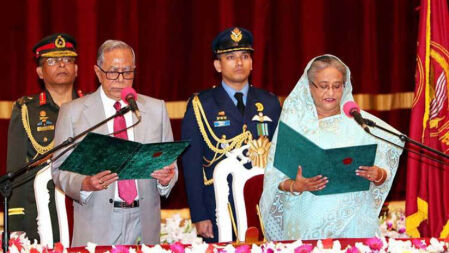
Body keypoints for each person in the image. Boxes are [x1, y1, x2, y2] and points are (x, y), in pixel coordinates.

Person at [259, 54, 403, 240]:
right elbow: (274, 176)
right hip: (306, 221)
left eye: (337, 86)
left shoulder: (359, 123)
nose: (331, 93)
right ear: (309, 87)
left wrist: (377, 175)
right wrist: (295, 185)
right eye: (324, 86)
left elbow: (383, 172)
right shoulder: (295, 125)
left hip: (355, 224)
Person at [51, 40, 177, 247]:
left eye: (127, 72)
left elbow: (171, 165)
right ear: (98, 72)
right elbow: (59, 170)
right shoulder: (73, 112)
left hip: (144, 221)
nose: (120, 79)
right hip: (96, 221)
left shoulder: (156, 109)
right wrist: (84, 183)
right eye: (112, 72)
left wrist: (166, 179)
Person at [182, 27, 281, 242]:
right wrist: (199, 215)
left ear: (252, 63)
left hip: (262, 204)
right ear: (218, 65)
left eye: (245, 56)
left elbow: (280, 158)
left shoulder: (270, 103)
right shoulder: (202, 104)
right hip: (218, 205)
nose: (239, 62)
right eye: (230, 57)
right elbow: (191, 163)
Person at [7, 33, 82, 242]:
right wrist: (17, 223)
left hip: (85, 209)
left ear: (76, 69)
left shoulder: (91, 107)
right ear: (39, 71)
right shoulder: (26, 110)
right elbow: (16, 171)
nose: (61, 65)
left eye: (68, 60)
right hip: (39, 213)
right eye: (52, 61)